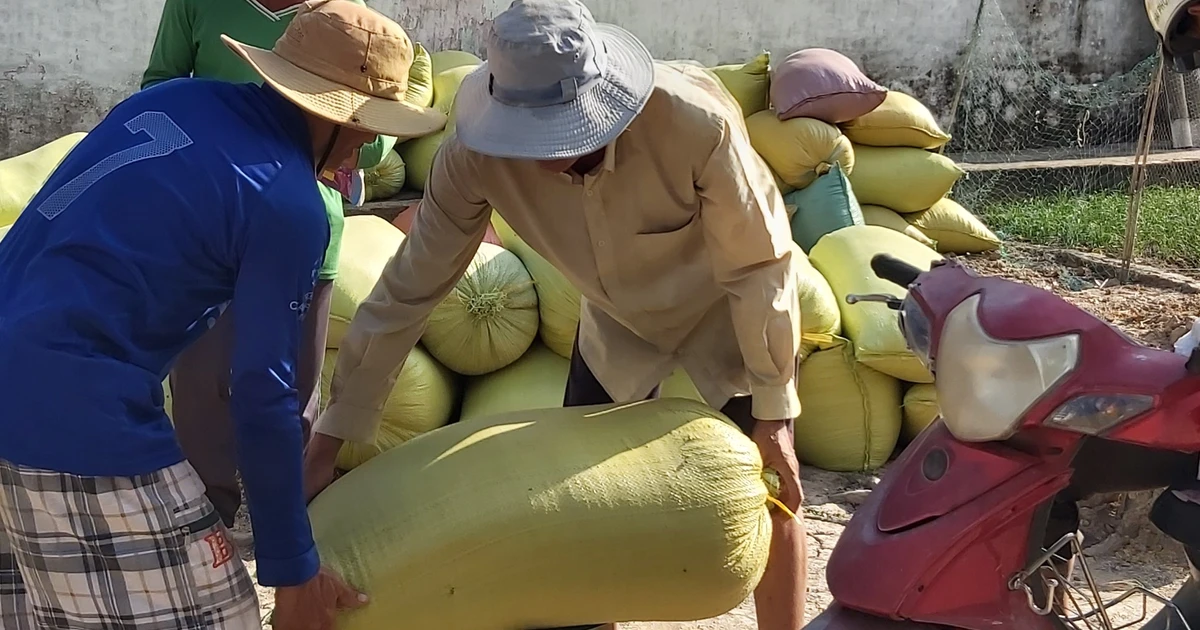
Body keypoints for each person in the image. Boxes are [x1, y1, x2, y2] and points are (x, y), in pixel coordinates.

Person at [301, 0, 808, 628]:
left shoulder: (695, 123)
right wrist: (330, 439)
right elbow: (408, 291)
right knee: (582, 507)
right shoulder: (473, 157)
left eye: (562, 131)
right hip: (615, 325)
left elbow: (758, 267)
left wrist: (776, 412)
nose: (543, 156)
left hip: (727, 314)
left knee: (777, 494)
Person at [0, 1, 444, 628]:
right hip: (71, 409)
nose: (368, 144)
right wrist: (292, 570)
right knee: (221, 615)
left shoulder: (168, 104)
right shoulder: (289, 203)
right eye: (368, 126)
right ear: (334, 113)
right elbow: (263, 395)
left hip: (23, 376)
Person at [140, 0, 400, 528]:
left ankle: (287, 519)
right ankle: (208, 518)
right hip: (209, 230)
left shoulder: (347, 19)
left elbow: (370, 148)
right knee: (201, 385)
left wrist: (332, 128)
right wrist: (236, 132)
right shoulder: (196, 5)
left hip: (305, 233)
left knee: (294, 391)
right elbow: (159, 91)